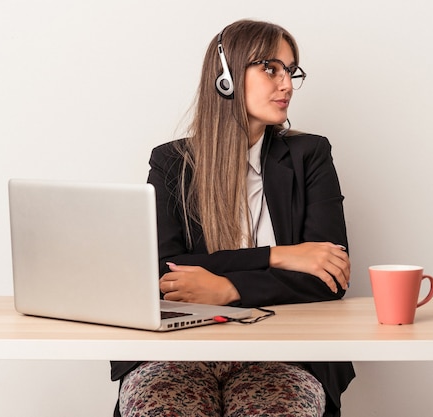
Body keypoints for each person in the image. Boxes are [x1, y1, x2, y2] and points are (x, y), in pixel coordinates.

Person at [111, 19, 355, 417]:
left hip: (282, 354)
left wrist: (228, 289)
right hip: (177, 355)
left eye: (291, 71)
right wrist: (277, 256)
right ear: (225, 78)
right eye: (270, 68)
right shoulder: (172, 162)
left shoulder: (310, 155)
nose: (287, 84)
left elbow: (330, 276)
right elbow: (160, 271)